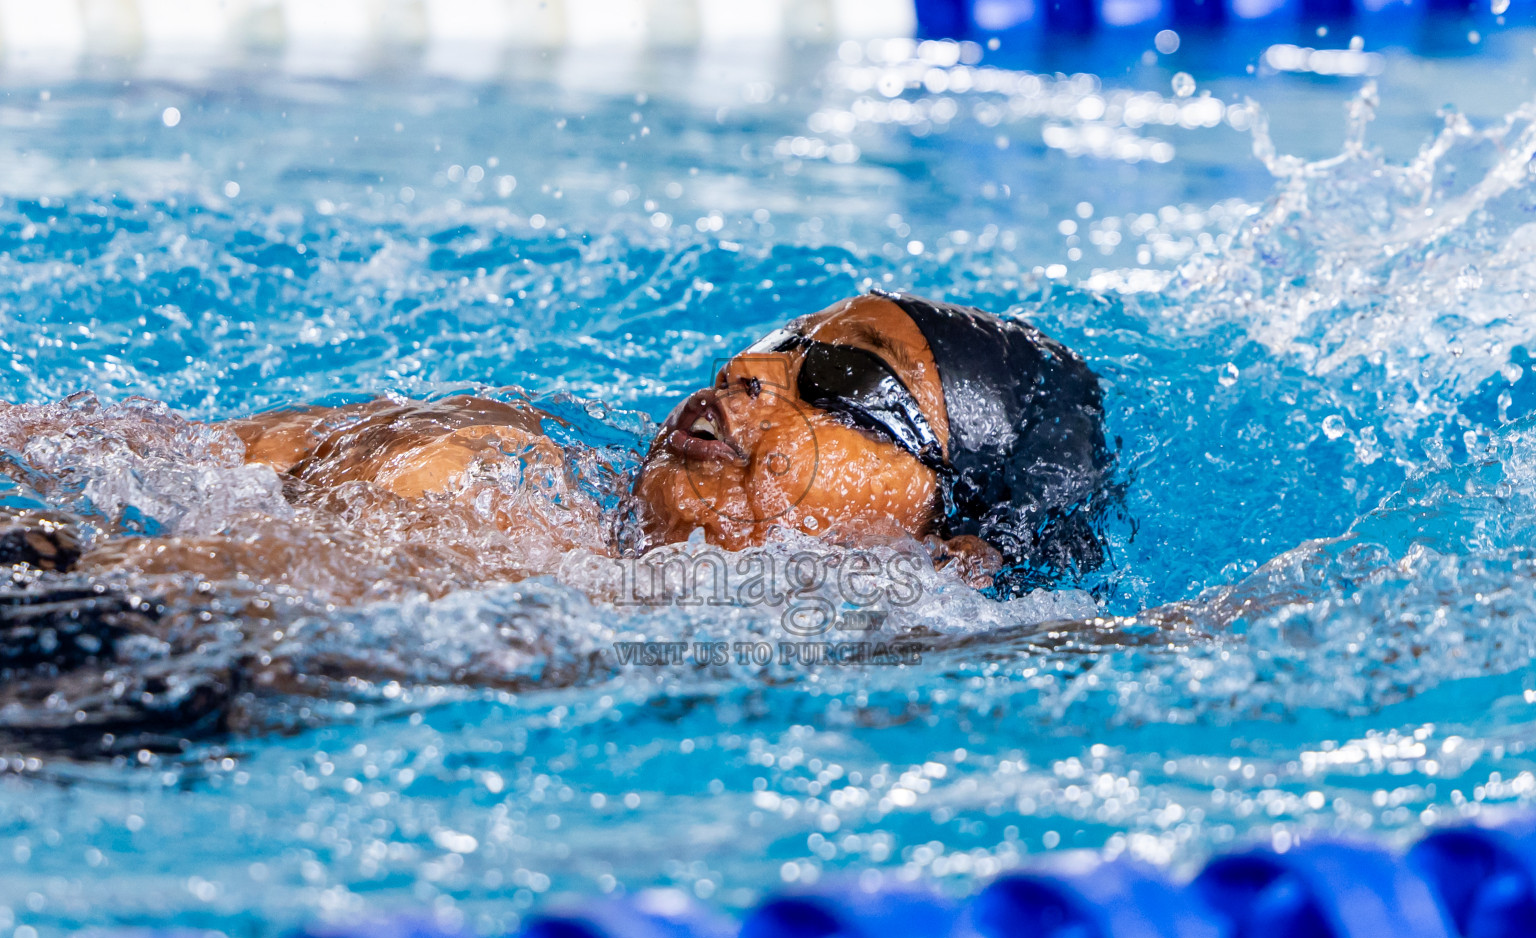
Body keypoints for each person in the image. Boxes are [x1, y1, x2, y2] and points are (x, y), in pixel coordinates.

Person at [0, 292, 1114, 598]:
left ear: (959, 549)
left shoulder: (881, 637)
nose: (751, 371)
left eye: (848, 379)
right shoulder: (457, 447)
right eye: (778, 344)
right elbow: (120, 448)